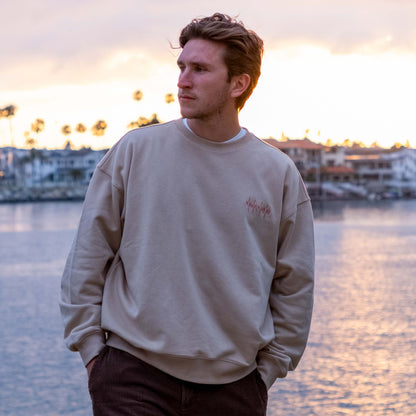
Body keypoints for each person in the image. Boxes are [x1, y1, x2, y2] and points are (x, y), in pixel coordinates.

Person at [60, 12, 314, 416]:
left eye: (199, 69)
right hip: (132, 377)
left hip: (234, 388)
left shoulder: (277, 174)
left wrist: (267, 372)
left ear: (238, 84)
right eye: (181, 67)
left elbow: (294, 285)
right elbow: (87, 259)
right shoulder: (135, 152)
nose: (182, 80)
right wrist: (94, 354)